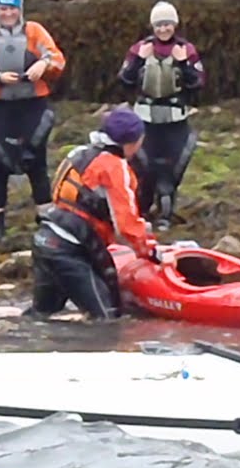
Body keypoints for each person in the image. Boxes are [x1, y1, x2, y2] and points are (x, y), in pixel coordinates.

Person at [28, 109, 160, 319]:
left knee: (42, 314)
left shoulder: (80, 153)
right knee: (107, 318)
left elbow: (61, 196)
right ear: (133, 142)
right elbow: (126, 225)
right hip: (70, 249)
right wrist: (150, 251)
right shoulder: (115, 167)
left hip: (45, 239)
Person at [0, 0, 66, 243]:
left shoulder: (35, 31)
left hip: (33, 105)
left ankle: (45, 218)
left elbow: (57, 59)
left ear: (20, 10)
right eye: (3, 9)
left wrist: (43, 64)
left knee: (37, 163)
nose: (8, 14)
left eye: (12, 9)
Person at [117, 0, 206, 229]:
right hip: (145, 120)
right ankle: (142, 212)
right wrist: (139, 60)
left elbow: (198, 83)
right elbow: (124, 80)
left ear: (174, 25)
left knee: (170, 171)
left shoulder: (186, 50)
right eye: (158, 25)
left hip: (175, 119)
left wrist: (183, 63)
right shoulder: (140, 48)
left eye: (167, 24)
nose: (163, 29)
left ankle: (165, 215)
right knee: (144, 169)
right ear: (152, 27)